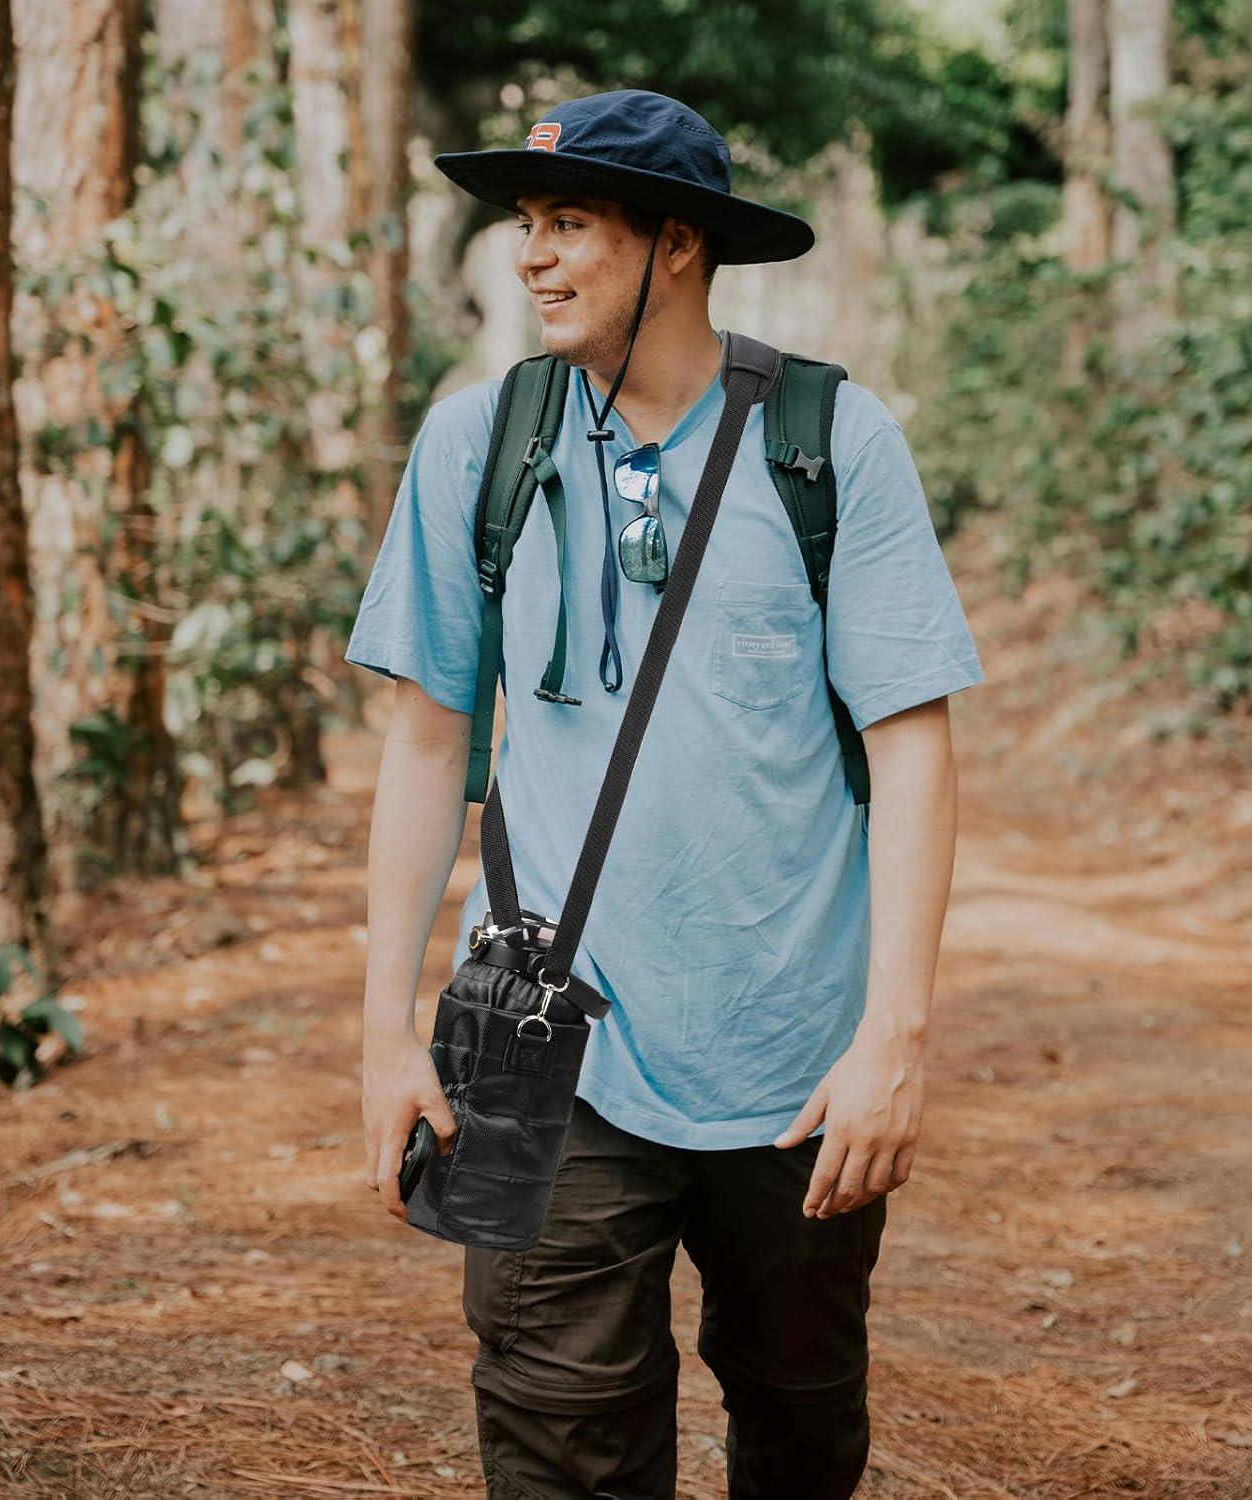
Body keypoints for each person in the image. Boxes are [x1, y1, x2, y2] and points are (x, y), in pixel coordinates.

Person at [346, 88, 984, 1500]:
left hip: (793, 1056)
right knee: (559, 1440)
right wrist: (384, 1027)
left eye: (570, 223)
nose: (534, 257)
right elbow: (425, 746)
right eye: (527, 225)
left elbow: (914, 746)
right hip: (541, 1049)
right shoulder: (478, 447)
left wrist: (897, 1035)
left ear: (678, 244)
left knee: (801, 1420)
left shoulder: (830, 441)